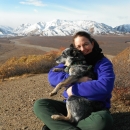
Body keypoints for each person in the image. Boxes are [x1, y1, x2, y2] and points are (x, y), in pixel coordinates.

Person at [33, 31, 115, 130]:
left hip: (94, 107)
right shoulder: (72, 59)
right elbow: (52, 77)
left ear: (92, 43)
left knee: (102, 120)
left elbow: (104, 87)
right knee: (40, 105)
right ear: (74, 49)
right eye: (78, 46)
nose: (82, 49)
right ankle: (70, 126)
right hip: (71, 106)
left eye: (86, 44)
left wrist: (72, 90)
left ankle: (60, 126)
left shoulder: (103, 63)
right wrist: (79, 80)